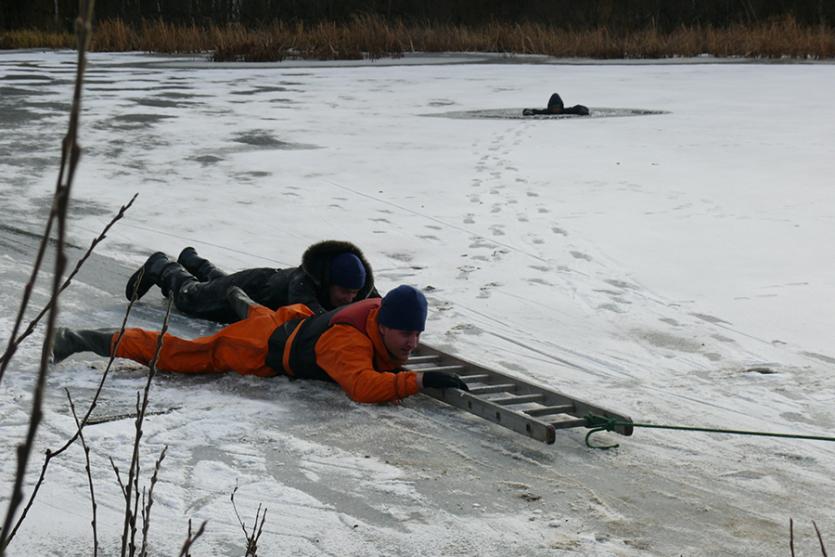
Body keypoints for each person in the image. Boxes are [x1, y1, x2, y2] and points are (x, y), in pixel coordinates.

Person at [52, 285, 469, 404]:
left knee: (261, 316)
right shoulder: (347, 343)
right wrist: (416, 381)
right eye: (405, 335)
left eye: (418, 335)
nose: (413, 343)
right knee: (180, 355)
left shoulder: (382, 311)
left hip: (289, 321)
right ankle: (80, 339)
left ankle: (242, 301)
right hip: (256, 349)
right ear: (384, 326)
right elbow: (361, 387)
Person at [125, 240, 378, 323]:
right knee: (191, 298)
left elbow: (379, 305)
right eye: (344, 292)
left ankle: (193, 262)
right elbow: (316, 321)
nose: (350, 299)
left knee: (216, 283)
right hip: (250, 288)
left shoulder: (359, 288)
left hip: (260, 290)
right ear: (327, 282)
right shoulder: (303, 284)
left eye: (355, 293)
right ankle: (162, 266)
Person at [523, 93, 590, 116]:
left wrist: (583, 110)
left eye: (558, 107)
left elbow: (579, 107)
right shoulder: (547, 112)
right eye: (554, 107)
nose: (556, 109)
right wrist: (528, 112)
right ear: (550, 107)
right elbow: (533, 111)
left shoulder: (564, 111)